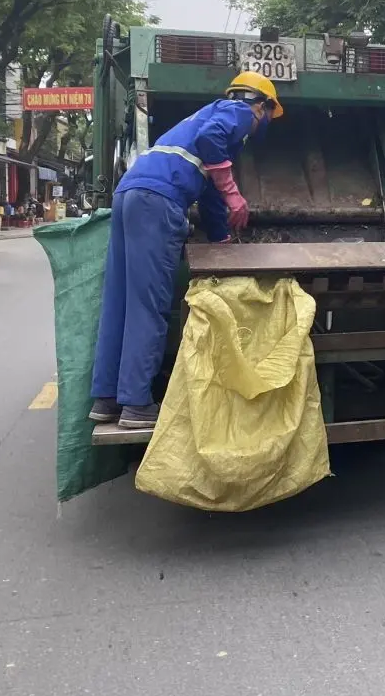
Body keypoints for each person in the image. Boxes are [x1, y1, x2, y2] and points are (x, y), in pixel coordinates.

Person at [88, 71, 283, 432]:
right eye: (269, 114)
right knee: (149, 306)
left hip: (129, 194)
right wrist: (234, 194)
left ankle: (107, 398)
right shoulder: (237, 112)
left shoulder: (200, 119)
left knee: (121, 300)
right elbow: (213, 145)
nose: (264, 123)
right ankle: (136, 404)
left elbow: (207, 193)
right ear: (261, 105)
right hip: (159, 201)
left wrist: (223, 242)